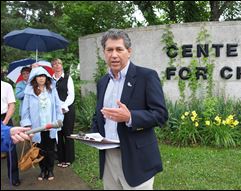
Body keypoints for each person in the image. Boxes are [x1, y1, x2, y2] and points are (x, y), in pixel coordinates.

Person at [91, 29, 168, 190]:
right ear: (104, 52)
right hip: (108, 158)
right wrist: (92, 134)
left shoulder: (146, 76)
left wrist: (130, 117)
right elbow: (99, 114)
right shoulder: (103, 82)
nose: (114, 55)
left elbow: (161, 115)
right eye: (109, 50)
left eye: (119, 49)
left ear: (129, 52)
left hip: (137, 159)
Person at [20, 66, 64, 181]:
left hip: (51, 125)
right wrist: (27, 125)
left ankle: (50, 170)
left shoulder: (51, 90)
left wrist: (59, 119)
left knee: (50, 149)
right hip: (37, 127)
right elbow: (25, 110)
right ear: (34, 78)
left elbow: (58, 106)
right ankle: (42, 170)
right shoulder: (29, 92)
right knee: (39, 149)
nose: (41, 78)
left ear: (46, 78)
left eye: (43, 76)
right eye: (39, 76)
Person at [51, 58, 75, 168]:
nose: (57, 65)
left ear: (62, 65)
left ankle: (69, 158)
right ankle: (61, 158)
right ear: (52, 67)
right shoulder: (50, 80)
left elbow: (71, 95)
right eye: (55, 64)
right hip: (55, 112)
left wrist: (63, 106)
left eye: (59, 63)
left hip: (67, 110)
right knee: (58, 134)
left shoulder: (67, 78)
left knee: (68, 133)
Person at [1, 79, 21, 186]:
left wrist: (4, 122)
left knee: (10, 149)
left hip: (5, 118)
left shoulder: (6, 86)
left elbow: (12, 106)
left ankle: (13, 177)